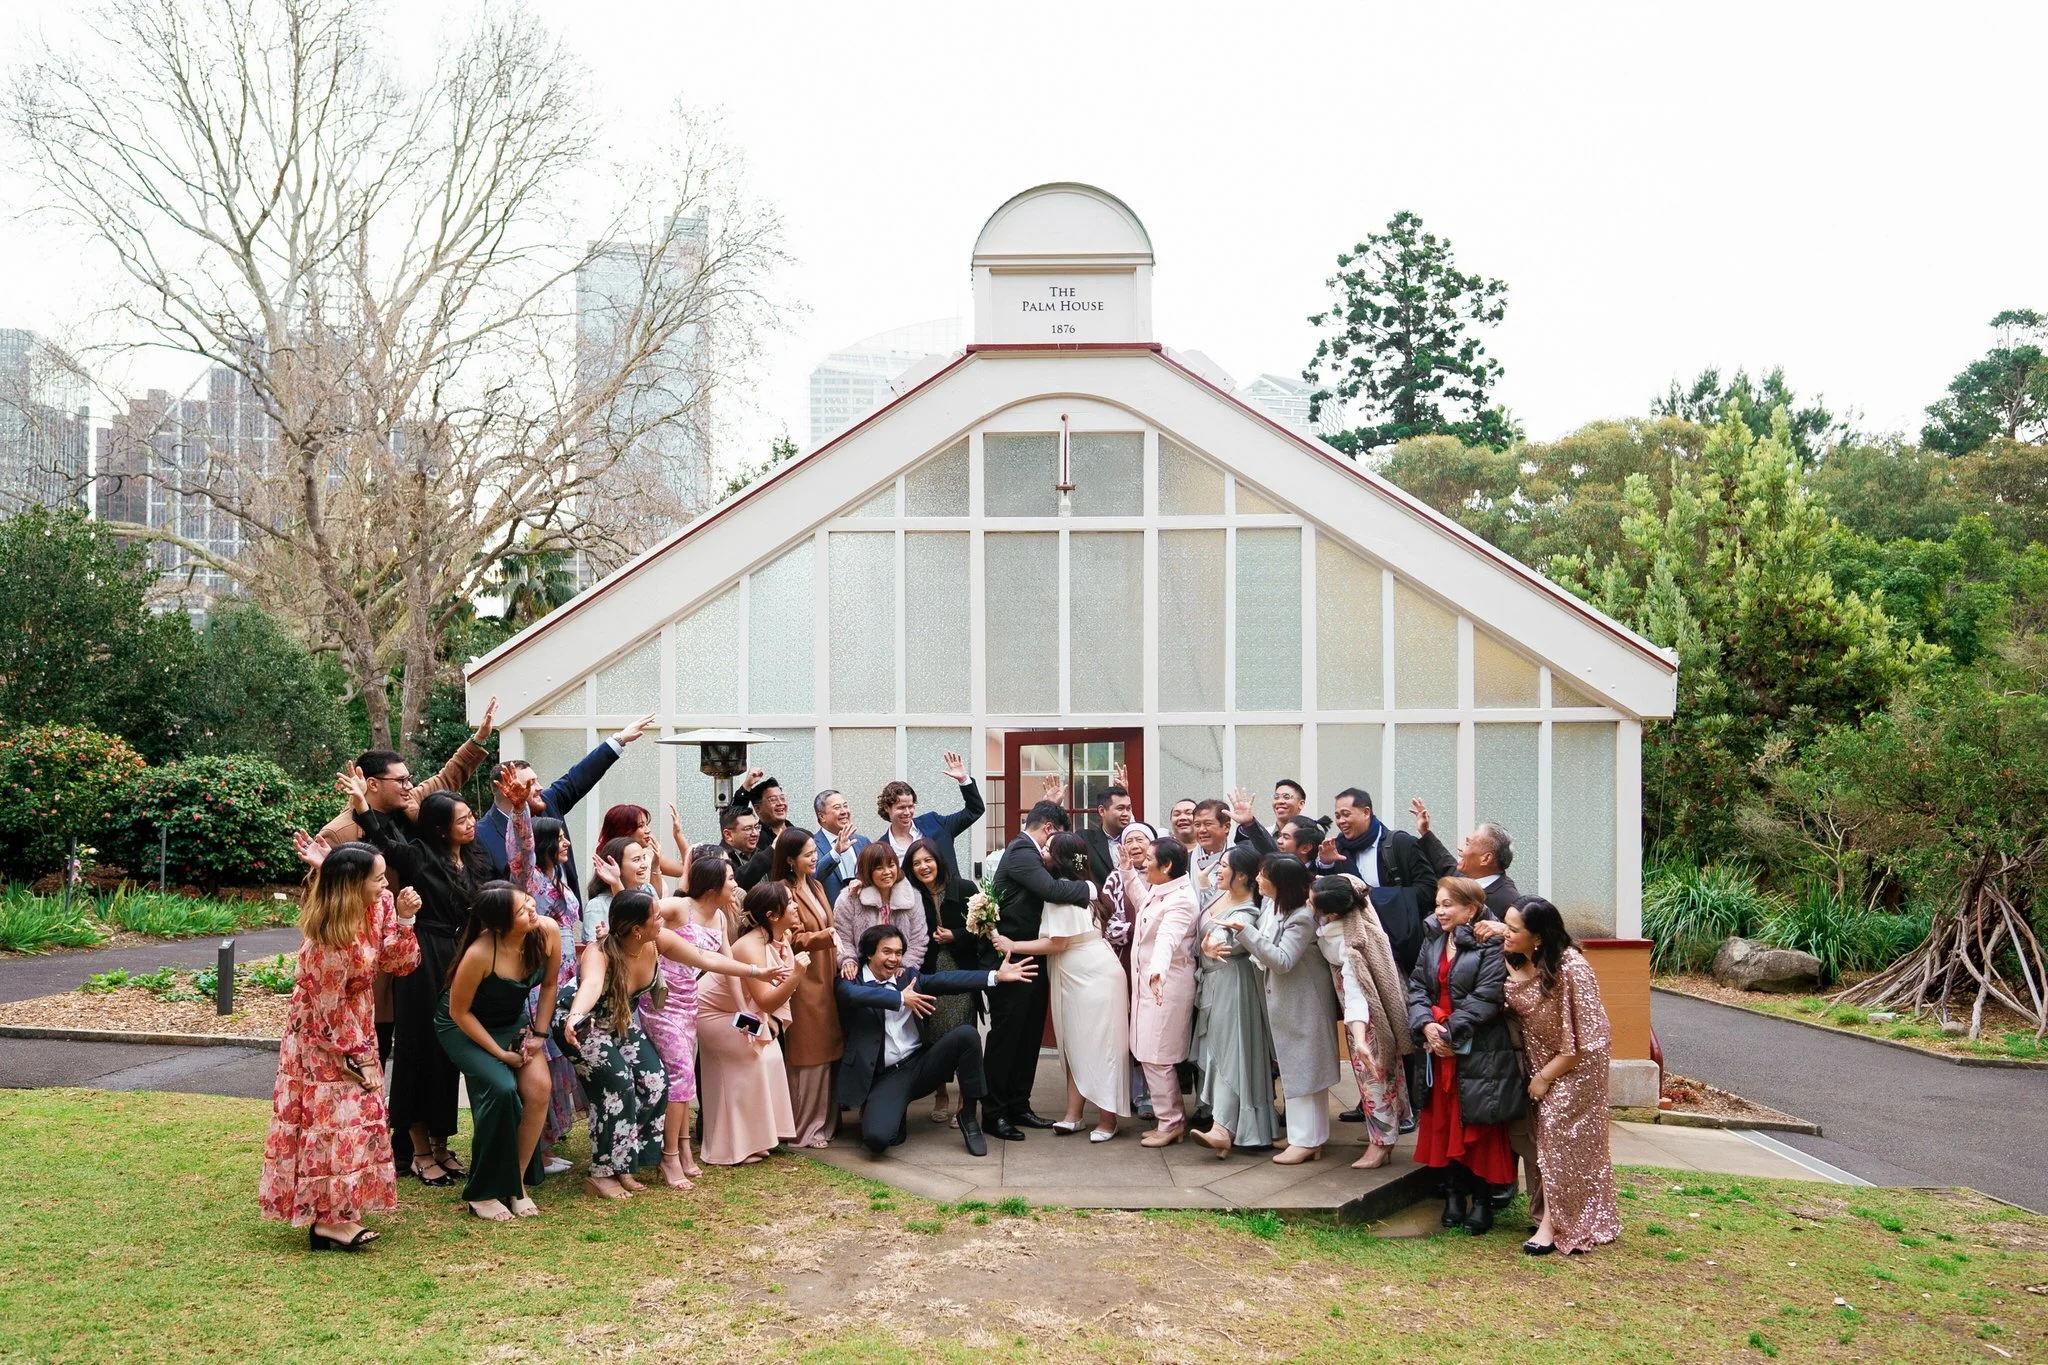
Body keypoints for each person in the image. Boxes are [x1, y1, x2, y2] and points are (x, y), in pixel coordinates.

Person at [316, 701, 494, 1090]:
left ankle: (420, 1142)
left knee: (425, 1049)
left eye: (411, 779)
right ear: (372, 783)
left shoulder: (409, 804)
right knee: (371, 1060)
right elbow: (321, 909)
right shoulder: (339, 834)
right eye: (401, 780)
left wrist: (479, 738)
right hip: (372, 966)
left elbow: (449, 777)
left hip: (419, 951)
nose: (411, 785)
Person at [260, 839, 420, 1251]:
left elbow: (397, 963)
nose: (386, 886)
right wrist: (361, 1058)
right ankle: (328, 1221)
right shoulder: (327, 942)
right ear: (352, 885)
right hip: (321, 1040)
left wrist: (403, 920)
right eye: (378, 878)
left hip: (355, 1026)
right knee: (334, 1123)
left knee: (355, 1119)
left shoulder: (376, 905)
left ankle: (340, 1211)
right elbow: (328, 1013)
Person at [343, 765, 487, 1188]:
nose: (470, 823)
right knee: (418, 1051)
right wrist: (362, 806)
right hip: (423, 956)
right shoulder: (420, 854)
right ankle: (419, 1151)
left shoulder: (476, 860)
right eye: (461, 819)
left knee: (448, 1053)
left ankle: (442, 1145)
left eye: (470, 817)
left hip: (460, 957)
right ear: (441, 828)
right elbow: (383, 842)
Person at [837, 923, 1039, 1156]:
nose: (894, 958)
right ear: (869, 953)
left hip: (920, 1065)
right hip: (886, 1077)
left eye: (899, 952)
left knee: (966, 1035)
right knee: (878, 1140)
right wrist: (900, 999)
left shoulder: (907, 977)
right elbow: (853, 996)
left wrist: (996, 976)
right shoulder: (850, 980)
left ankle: (968, 1115)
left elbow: (946, 980)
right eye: (887, 952)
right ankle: (892, 1107)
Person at [990, 831, 1130, 1141]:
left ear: (1063, 859)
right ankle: (1073, 1115)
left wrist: (1013, 943)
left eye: (1049, 850)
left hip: (1091, 975)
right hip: (1076, 974)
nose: (1043, 853)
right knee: (1074, 1045)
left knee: (1102, 1046)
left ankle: (1107, 1118)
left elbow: (1057, 943)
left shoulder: (1062, 892)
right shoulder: (1082, 889)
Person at [1501, 897, 1620, 1256]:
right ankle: (1560, 1213)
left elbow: (1585, 1040)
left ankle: (1554, 1226)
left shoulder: (1574, 969)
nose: (1505, 933)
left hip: (1578, 1067)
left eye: (1512, 929)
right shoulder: (1521, 956)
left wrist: (1544, 1078)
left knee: (1557, 1138)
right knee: (1550, 1141)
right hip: (1543, 1062)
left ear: (1537, 937)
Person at [1407, 876, 1523, 1235]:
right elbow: (1416, 988)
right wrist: (1426, 1025)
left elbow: (1489, 996)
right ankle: (1453, 1196)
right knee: (1443, 1122)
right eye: (1437, 905)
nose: (1439, 911)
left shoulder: (1491, 944)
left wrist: (1449, 1032)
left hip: (1478, 1048)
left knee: (1478, 1123)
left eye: (1447, 905)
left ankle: (1484, 1201)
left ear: (1470, 909)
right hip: (1438, 1047)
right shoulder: (1433, 940)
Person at [436, 882, 558, 1221]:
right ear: (500, 925)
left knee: (539, 1089)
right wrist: (500, 1055)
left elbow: (549, 985)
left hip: (512, 1021)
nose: (532, 909)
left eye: (528, 901)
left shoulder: (546, 931)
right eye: (521, 910)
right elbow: (459, 1013)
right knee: (501, 1088)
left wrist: (539, 1035)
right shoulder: (480, 952)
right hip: (463, 1026)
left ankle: (515, 1183)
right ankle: (484, 1191)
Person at [982, 799, 1097, 1140]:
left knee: (1029, 1036)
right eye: (1058, 835)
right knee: (1007, 1037)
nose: (1056, 846)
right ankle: (994, 1112)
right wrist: (1090, 887)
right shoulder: (1021, 851)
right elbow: (1049, 890)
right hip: (1011, 958)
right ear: (1049, 828)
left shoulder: (1031, 852)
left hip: (1032, 955)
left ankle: (1019, 1105)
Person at [496, 770, 583, 1177]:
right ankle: (533, 1155)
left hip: (568, 976)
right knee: (541, 1064)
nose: (566, 843)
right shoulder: (529, 877)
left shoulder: (561, 879)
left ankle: (546, 1146)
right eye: (560, 837)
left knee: (561, 1066)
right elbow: (522, 849)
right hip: (540, 981)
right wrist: (519, 811)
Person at [554, 891, 663, 1198]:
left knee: (655, 1082)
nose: (662, 919)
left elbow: (701, 956)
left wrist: (752, 970)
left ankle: (626, 1162)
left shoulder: (651, 944)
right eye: (656, 916)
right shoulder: (599, 950)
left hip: (617, 1020)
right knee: (618, 1086)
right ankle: (601, 1173)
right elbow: (589, 985)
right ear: (636, 928)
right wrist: (575, 1016)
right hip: (581, 1022)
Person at [1234, 854, 1341, 1165]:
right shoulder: (1275, 907)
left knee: (1305, 1069)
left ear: (1280, 883)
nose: (1257, 880)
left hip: (1303, 1002)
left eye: (1263, 875)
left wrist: (1246, 931)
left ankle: (1307, 1141)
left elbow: (1282, 961)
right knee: (1298, 1069)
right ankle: (1303, 1136)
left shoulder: (1301, 917)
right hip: (1290, 1001)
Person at [472, 712, 654, 888]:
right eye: (530, 783)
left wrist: (620, 739)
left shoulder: (548, 803)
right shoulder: (482, 835)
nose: (540, 788)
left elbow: (580, 776)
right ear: (506, 790)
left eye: (537, 780)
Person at [1311, 875, 1414, 1168]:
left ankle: (1381, 1145)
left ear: (1331, 913)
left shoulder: (1351, 942)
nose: (1308, 899)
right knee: (1383, 1077)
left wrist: (1359, 1040)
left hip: (1369, 1019)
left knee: (1375, 1079)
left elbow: (1358, 994)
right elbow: (1349, 881)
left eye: (1312, 898)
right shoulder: (1354, 909)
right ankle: (1384, 1131)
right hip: (1363, 1014)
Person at [699, 881, 803, 1165]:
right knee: (749, 1057)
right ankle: (732, 1147)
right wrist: (797, 975)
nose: (795, 906)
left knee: (771, 1054)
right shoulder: (749, 946)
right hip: (712, 1012)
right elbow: (767, 1000)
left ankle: (763, 1137)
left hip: (739, 1011)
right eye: (790, 902)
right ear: (772, 914)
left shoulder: (778, 938)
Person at [1188, 844, 1277, 1157]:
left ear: (1243, 875)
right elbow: (1204, 926)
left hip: (1233, 984)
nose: (1219, 870)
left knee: (1230, 1054)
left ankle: (1223, 1129)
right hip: (1213, 982)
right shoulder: (1219, 894)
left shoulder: (1249, 910)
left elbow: (1225, 938)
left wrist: (1211, 943)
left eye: (1225, 865)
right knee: (1217, 1053)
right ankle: (1226, 1124)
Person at [769, 827, 844, 1149]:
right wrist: (824, 938)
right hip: (804, 982)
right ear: (790, 860)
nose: (815, 858)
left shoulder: (814, 884)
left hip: (827, 978)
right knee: (808, 1056)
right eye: (808, 854)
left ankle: (824, 1123)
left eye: (815, 852)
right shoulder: (782, 890)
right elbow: (791, 937)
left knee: (826, 1055)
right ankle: (803, 1128)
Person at [1315, 789, 1443, 976]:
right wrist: (1326, 864)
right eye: (1337, 816)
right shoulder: (1337, 849)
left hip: (1400, 945)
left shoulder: (1400, 843)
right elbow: (1331, 897)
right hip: (1356, 948)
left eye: (1346, 814)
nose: (1341, 821)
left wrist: (1376, 896)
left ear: (1366, 812)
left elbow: (1428, 890)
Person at [1125, 835, 1199, 1147]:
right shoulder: (1161, 889)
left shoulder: (1182, 899)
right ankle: (1167, 1118)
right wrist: (1127, 871)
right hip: (1148, 983)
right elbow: (1144, 905)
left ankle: (1171, 1123)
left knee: (1158, 1054)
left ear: (1167, 866)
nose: (1144, 863)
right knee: (1147, 1051)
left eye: (1149, 859)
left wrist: (1157, 971)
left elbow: (1168, 939)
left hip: (1166, 983)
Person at [904, 836, 983, 1126]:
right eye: (917, 863)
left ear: (939, 860)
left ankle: (964, 1101)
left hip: (960, 970)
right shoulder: (909, 895)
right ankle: (940, 1095)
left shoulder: (964, 888)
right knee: (932, 1031)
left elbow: (983, 928)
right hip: (929, 971)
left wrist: (956, 935)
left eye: (928, 860)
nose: (924, 867)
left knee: (963, 1028)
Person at [873, 752, 986, 880]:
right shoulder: (882, 847)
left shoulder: (934, 822)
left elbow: (974, 810)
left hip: (950, 897)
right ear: (887, 808)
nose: (907, 812)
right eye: (901, 808)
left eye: (910, 806)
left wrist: (963, 780)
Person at [831, 842, 927, 980]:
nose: (887, 872)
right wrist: (848, 960)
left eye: (891, 865)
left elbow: (918, 939)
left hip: (900, 974)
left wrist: (905, 965)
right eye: (879, 868)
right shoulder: (849, 898)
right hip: (861, 974)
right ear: (867, 871)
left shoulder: (913, 897)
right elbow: (843, 937)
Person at [1412, 802, 1521, 918]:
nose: (1460, 847)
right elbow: (1444, 861)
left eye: (1468, 844)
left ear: (1486, 858)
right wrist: (1425, 831)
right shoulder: (1465, 878)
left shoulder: (1508, 901)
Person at [730, 771, 794, 889]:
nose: (780, 803)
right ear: (758, 808)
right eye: (773, 800)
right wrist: (746, 787)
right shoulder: (757, 837)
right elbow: (734, 818)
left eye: (782, 798)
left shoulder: (796, 833)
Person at [810, 789, 868, 905]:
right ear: (822, 816)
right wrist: (835, 852)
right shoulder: (812, 844)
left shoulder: (862, 842)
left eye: (845, 806)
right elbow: (812, 879)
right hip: (831, 916)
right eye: (837, 808)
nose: (844, 812)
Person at [1081, 781, 1133, 882]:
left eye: (1128, 808)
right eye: (1120, 808)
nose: (1126, 814)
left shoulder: (1137, 841)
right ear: (1102, 811)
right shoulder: (1085, 839)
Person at [1188, 799, 1232, 911]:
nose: (1202, 830)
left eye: (1208, 824)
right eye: (1197, 825)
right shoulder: (1184, 863)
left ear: (1226, 827)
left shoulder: (1242, 860)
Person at [718, 804, 761, 873]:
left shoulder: (760, 853)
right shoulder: (720, 861)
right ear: (728, 834)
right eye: (748, 829)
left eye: (757, 827)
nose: (755, 833)